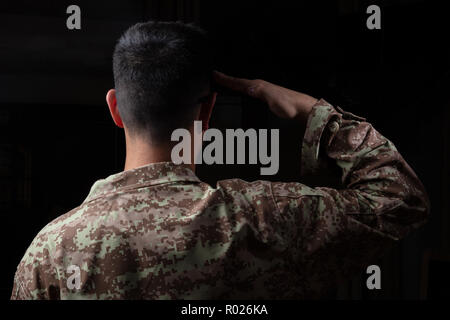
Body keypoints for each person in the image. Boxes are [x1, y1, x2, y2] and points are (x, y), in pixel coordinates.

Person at [11, 21, 429, 300]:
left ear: (115, 109)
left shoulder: (49, 254)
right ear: (207, 111)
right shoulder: (260, 218)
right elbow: (399, 198)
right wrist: (313, 112)